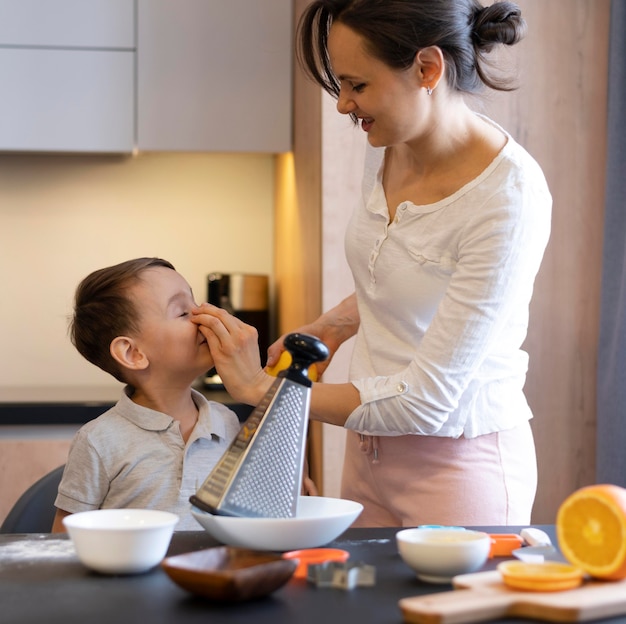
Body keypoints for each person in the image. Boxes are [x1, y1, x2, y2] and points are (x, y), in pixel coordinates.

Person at [192, 0, 552, 528]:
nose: (343, 105)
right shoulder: (388, 141)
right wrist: (336, 323)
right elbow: (408, 270)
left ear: (427, 69)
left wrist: (259, 391)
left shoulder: (506, 198)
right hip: (367, 450)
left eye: (357, 86)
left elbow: (428, 403)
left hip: (456, 464)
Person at [51, 258, 242, 532]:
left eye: (196, 303)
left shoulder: (227, 422)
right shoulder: (98, 441)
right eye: (181, 312)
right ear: (133, 354)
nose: (206, 314)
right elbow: (63, 542)